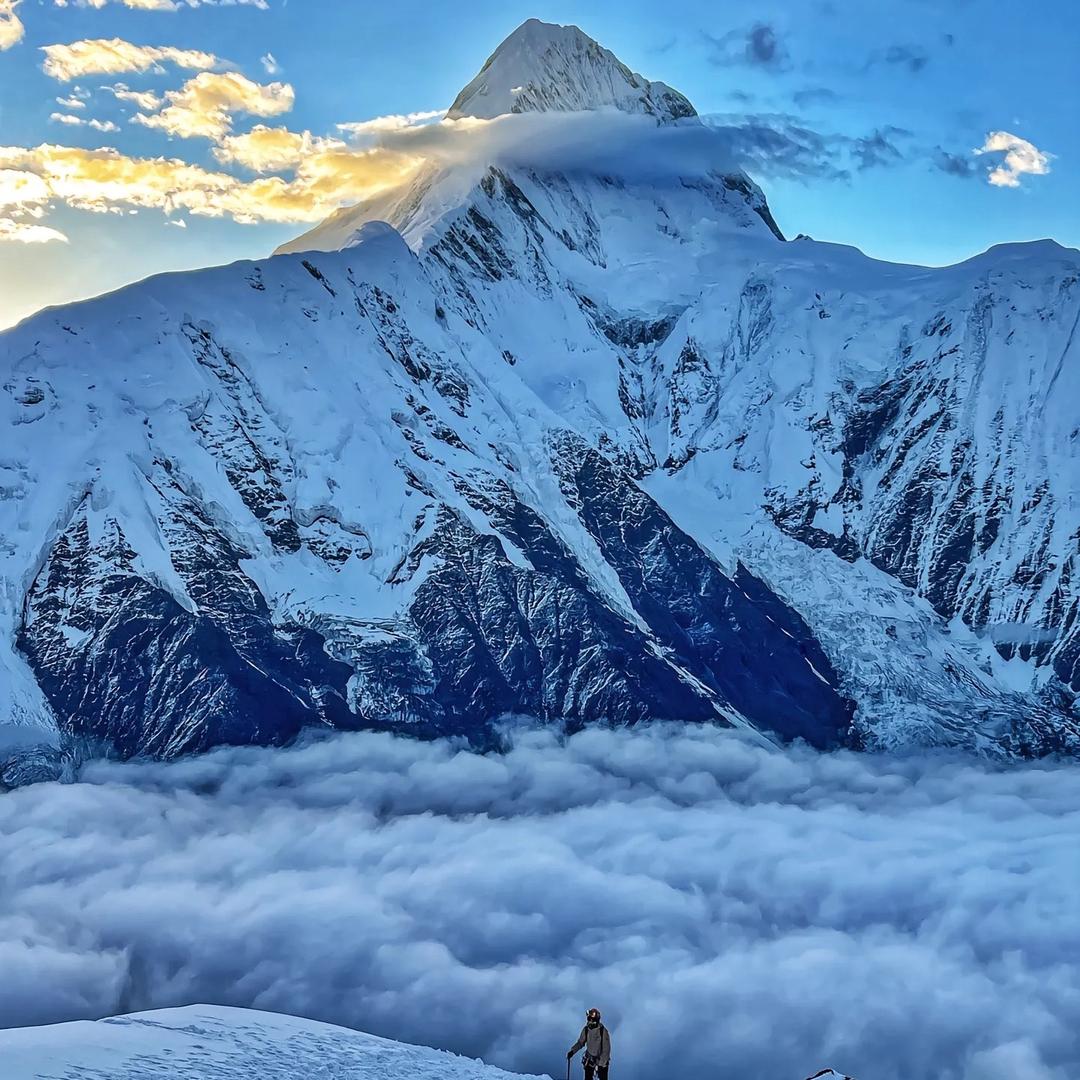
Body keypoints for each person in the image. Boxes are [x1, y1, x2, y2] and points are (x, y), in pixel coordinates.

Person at [567, 1008, 612, 1080]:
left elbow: (606, 1050)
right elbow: (580, 1042)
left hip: (602, 1062)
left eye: (592, 1020)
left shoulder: (603, 1031)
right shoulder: (586, 1030)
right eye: (589, 1019)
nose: (590, 1022)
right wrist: (572, 1051)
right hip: (589, 1060)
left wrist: (601, 1064)